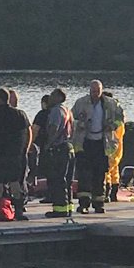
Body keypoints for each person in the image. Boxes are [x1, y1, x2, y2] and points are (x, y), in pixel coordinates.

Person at [72, 80, 124, 214]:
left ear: (101, 90)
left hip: (102, 142)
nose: (95, 94)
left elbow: (120, 119)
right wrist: (80, 124)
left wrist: (112, 126)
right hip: (85, 142)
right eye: (93, 91)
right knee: (84, 174)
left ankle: (98, 203)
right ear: (89, 90)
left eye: (98, 91)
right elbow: (71, 119)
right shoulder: (80, 103)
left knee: (100, 174)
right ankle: (83, 204)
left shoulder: (111, 104)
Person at [0, 88, 31, 221]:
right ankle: (19, 210)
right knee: (15, 183)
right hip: (15, 155)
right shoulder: (20, 114)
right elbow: (28, 132)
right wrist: (25, 148)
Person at [44, 88, 75, 218]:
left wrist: (48, 144)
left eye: (52, 95)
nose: (49, 98)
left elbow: (54, 128)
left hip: (59, 148)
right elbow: (73, 128)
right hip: (69, 147)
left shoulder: (56, 111)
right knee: (67, 180)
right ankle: (68, 207)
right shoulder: (67, 110)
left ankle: (59, 209)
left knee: (58, 179)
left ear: (58, 97)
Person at [102, 91, 125, 202]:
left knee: (105, 170)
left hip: (109, 147)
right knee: (114, 171)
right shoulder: (119, 118)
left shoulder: (109, 117)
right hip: (118, 149)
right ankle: (113, 194)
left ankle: (106, 194)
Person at [31, 94, 50, 193]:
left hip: (41, 145)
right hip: (54, 145)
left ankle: (38, 188)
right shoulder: (57, 113)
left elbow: (35, 129)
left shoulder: (42, 114)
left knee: (39, 167)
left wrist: (31, 142)